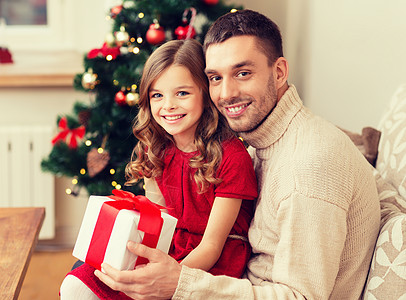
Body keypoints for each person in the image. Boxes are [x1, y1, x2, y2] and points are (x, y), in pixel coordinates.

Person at [92, 9, 382, 300]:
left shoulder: (306, 168)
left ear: (279, 72)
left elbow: (300, 297)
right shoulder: (260, 139)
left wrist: (179, 283)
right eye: (215, 78)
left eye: (243, 73)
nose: (226, 93)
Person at [59, 39, 258, 299]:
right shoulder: (156, 148)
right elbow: (159, 224)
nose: (168, 106)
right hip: (170, 247)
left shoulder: (231, 157)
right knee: (78, 283)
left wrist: (165, 280)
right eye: (157, 95)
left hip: (211, 263)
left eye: (182, 93)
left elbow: (211, 246)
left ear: (205, 94)